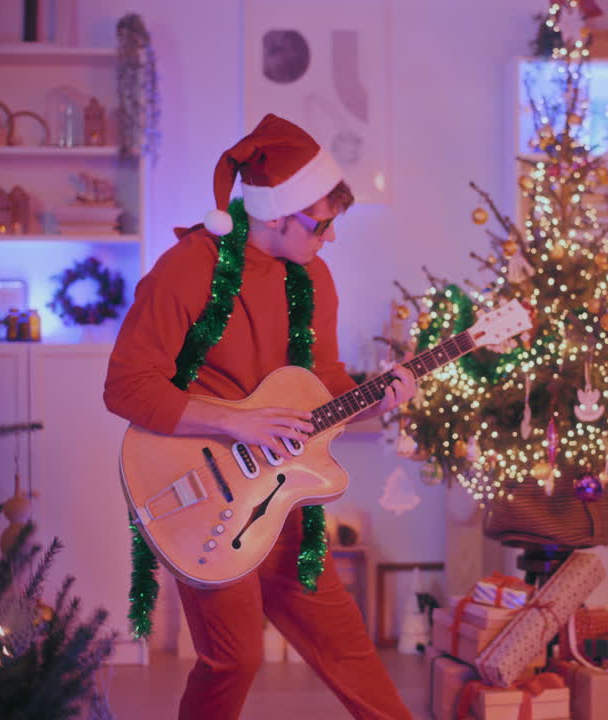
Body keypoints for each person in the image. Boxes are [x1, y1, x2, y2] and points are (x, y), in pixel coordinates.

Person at [103, 114, 416, 720]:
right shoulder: (190, 267)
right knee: (236, 658)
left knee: (346, 644)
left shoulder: (315, 278)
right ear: (276, 215)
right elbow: (126, 386)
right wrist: (238, 424)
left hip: (282, 490)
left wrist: (378, 397)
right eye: (321, 224)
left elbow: (324, 385)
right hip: (202, 488)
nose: (329, 237)